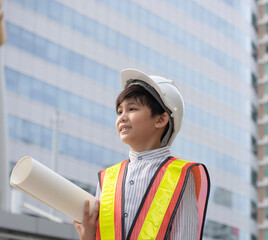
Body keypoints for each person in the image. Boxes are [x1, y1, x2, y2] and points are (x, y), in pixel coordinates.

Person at [73, 68, 210, 240]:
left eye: (132, 109)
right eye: (119, 111)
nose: (122, 117)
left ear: (161, 119)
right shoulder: (108, 178)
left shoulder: (180, 175)